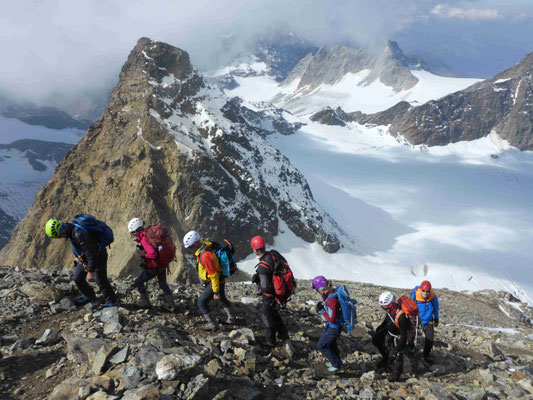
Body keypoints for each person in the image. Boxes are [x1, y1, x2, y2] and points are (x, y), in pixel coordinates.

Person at [45, 217, 118, 307]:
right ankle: (89, 295)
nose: (60, 238)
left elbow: (92, 254)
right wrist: (78, 257)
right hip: (85, 258)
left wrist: (90, 272)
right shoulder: (71, 231)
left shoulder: (78, 233)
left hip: (98, 256)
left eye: (59, 236)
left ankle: (111, 301)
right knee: (77, 277)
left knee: (100, 279)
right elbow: (82, 248)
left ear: (60, 231)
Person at [183, 230, 234, 330]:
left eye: (191, 247)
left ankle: (212, 324)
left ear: (196, 243)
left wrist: (215, 291)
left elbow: (213, 274)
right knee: (222, 298)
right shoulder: (206, 245)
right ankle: (231, 318)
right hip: (221, 279)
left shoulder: (205, 255)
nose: (191, 249)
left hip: (214, 282)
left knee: (201, 302)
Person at [128, 218, 175, 312]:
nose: (133, 234)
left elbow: (152, 254)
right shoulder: (150, 234)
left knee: (138, 281)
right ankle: (171, 305)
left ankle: (146, 303)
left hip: (155, 266)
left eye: (133, 232)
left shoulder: (144, 239)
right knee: (163, 283)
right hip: (163, 264)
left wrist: (143, 254)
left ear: (136, 230)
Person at [250, 235, 289, 348]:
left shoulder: (262, 267)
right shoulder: (273, 254)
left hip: (270, 296)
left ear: (255, 249)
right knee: (275, 314)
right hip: (280, 292)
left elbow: (265, 287)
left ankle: (270, 341)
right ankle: (283, 334)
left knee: (267, 316)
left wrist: (268, 299)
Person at [371, 291, 410, 382]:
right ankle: (386, 359)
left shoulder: (401, 317)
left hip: (399, 337)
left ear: (392, 305)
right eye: (383, 308)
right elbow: (387, 320)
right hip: (390, 332)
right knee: (376, 340)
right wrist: (379, 330)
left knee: (397, 357)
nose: (384, 310)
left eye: (386, 308)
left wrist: (396, 350)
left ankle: (395, 377)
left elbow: (404, 337)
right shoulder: (390, 311)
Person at [312, 275, 343, 372]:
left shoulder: (331, 300)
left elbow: (332, 318)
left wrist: (322, 311)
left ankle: (336, 364)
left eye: (317, 290)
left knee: (321, 345)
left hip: (333, 327)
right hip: (332, 326)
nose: (317, 292)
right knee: (332, 344)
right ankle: (336, 363)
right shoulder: (329, 294)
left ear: (321, 288)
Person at [410, 280, 439, 362]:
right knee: (411, 335)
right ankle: (410, 347)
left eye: (427, 291)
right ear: (421, 289)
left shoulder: (433, 297)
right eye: (424, 291)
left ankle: (426, 355)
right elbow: (410, 306)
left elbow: (436, 308)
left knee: (430, 338)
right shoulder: (415, 295)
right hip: (416, 318)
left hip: (428, 319)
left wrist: (436, 319)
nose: (425, 293)